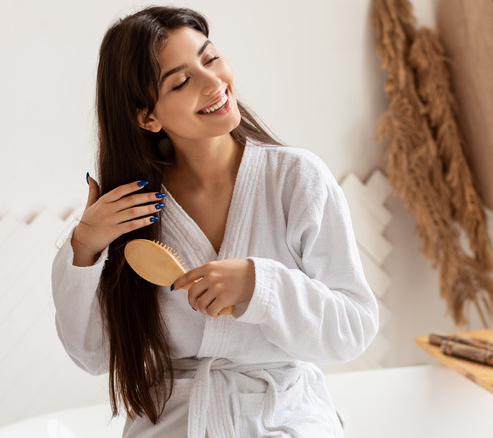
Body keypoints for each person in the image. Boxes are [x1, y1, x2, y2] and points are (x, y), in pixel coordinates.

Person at [51, 6, 378, 437]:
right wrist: (84, 248)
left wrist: (260, 286)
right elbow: (92, 356)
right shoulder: (133, 212)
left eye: (211, 59)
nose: (214, 83)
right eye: (181, 81)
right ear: (148, 116)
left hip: (283, 418)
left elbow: (353, 329)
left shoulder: (297, 179)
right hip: (174, 423)